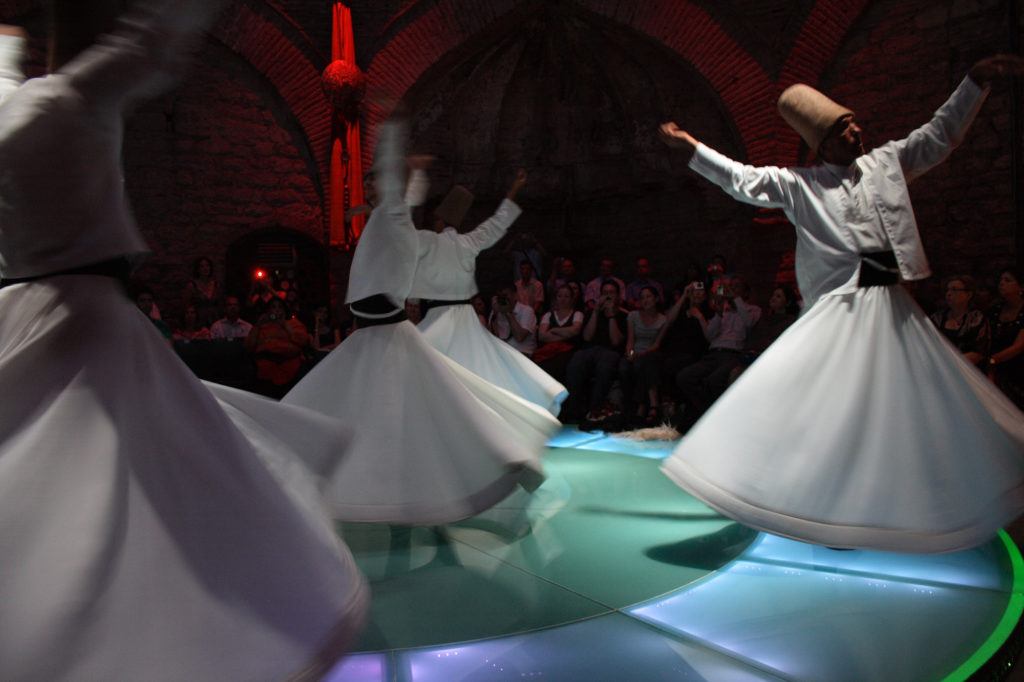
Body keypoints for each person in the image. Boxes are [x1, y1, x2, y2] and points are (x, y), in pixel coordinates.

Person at [0, 3, 368, 679]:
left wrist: (4, 53)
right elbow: (154, 42)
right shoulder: (72, 96)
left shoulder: (10, 111)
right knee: (155, 472)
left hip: (15, 313)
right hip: (87, 317)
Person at [656, 55, 1024, 553]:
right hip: (841, 312)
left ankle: (908, 502)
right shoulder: (801, 184)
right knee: (828, 413)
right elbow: (743, 180)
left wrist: (975, 82)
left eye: (855, 123)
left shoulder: (887, 163)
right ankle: (808, 501)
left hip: (888, 305)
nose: (857, 131)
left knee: (904, 408)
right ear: (824, 140)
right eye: (846, 127)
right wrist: (692, 149)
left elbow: (939, 136)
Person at [283, 119, 558, 524]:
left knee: (442, 396)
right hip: (436, 318)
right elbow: (480, 222)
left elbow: (398, 207)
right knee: (451, 394)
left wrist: (401, 155)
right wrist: (510, 191)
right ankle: (476, 449)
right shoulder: (460, 241)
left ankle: (464, 455)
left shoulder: (421, 239)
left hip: (420, 320)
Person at [412, 172, 567, 415]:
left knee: (427, 371)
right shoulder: (467, 242)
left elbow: (400, 240)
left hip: (442, 316)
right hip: (463, 318)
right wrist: (513, 190)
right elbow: (498, 222)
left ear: (437, 220)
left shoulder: (426, 241)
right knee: (476, 374)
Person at [565, 279, 628, 424]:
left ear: (618, 296)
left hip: (610, 351)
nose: (607, 296)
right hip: (589, 350)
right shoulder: (591, 313)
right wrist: (595, 311)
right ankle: (573, 411)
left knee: (605, 367)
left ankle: (595, 410)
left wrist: (611, 315)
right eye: (605, 293)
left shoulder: (624, 316)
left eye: (611, 293)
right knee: (575, 363)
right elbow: (587, 337)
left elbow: (616, 341)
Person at [621, 285, 667, 425]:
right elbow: (630, 340)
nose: (645, 300)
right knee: (624, 368)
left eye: (648, 296)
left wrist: (642, 354)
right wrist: (630, 353)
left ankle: (641, 407)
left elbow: (657, 344)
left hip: (651, 353)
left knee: (646, 363)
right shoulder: (633, 316)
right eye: (642, 297)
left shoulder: (663, 319)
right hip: (635, 352)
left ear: (656, 299)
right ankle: (650, 405)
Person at [929, 275, 989, 369]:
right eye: (947, 290)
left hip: (968, 370)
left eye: (954, 290)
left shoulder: (976, 319)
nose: (948, 293)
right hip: (938, 368)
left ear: (968, 295)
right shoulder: (937, 318)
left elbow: (978, 352)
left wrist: (950, 365)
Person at [534, 283, 584, 384]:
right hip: (548, 351)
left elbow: (575, 330)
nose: (563, 299)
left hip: (569, 351)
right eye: (560, 296)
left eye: (566, 296)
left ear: (572, 298)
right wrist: (566, 334)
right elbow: (542, 336)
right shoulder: (548, 315)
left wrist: (554, 330)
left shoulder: (577, 314)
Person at [988, 268, 1024, 408]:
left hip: (1018, 367)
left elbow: (1020, 345)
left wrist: (993, 360)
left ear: (1021, 287)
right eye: (1001, 280)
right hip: (996, 368)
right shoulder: (994, 310)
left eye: (1007, 280)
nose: (1001, 283)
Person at [489, 281, 538, 357]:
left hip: (522, 354)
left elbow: (519, 337)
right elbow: (493, 338)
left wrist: (508, 313)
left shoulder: (527, 311)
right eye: (500, 296)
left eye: (505, 295)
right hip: (502, 354)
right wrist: (495, 315)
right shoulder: (496, 311)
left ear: (515, 295)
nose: (503, 299)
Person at [183, 255, 220, 326]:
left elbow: (220, 304)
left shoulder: (216, 285)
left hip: (214, 319)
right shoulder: (192, 286)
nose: (205, 268)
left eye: (207, 266)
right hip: (198, 321)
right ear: (198, 269)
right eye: (202, 266)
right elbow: (186, 305)